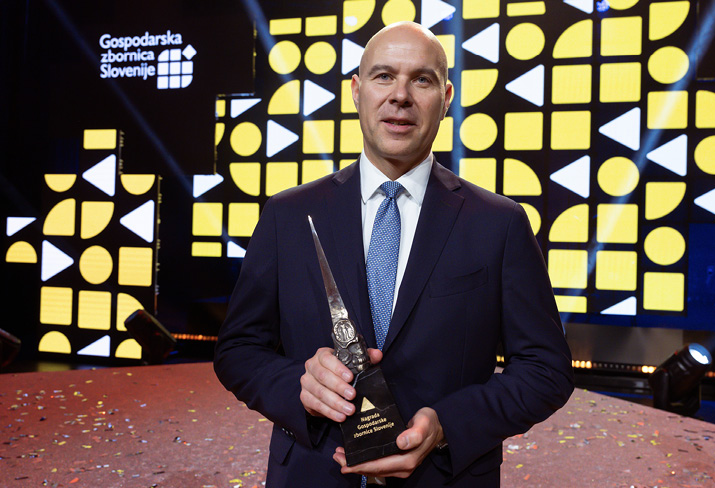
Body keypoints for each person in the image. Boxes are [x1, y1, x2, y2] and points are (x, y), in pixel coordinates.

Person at [214, 21, 574, 487]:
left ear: (445, 98)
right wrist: (299, 386)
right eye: (383, 76)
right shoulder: (288, 215)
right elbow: (239, 350)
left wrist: (446, 426)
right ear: (356, 91)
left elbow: (546, 369)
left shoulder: (499, 223)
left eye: (421, 80)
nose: (400, 96)